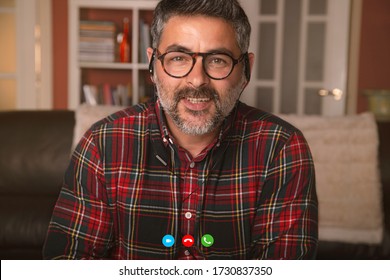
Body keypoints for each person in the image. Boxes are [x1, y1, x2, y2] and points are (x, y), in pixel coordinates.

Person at [43, 0, 318, 260]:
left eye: (218, 60)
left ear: (246, 69)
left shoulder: (282, 147)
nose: (197, 80)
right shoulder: (102, 143)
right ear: (152, 65)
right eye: (178, 58)